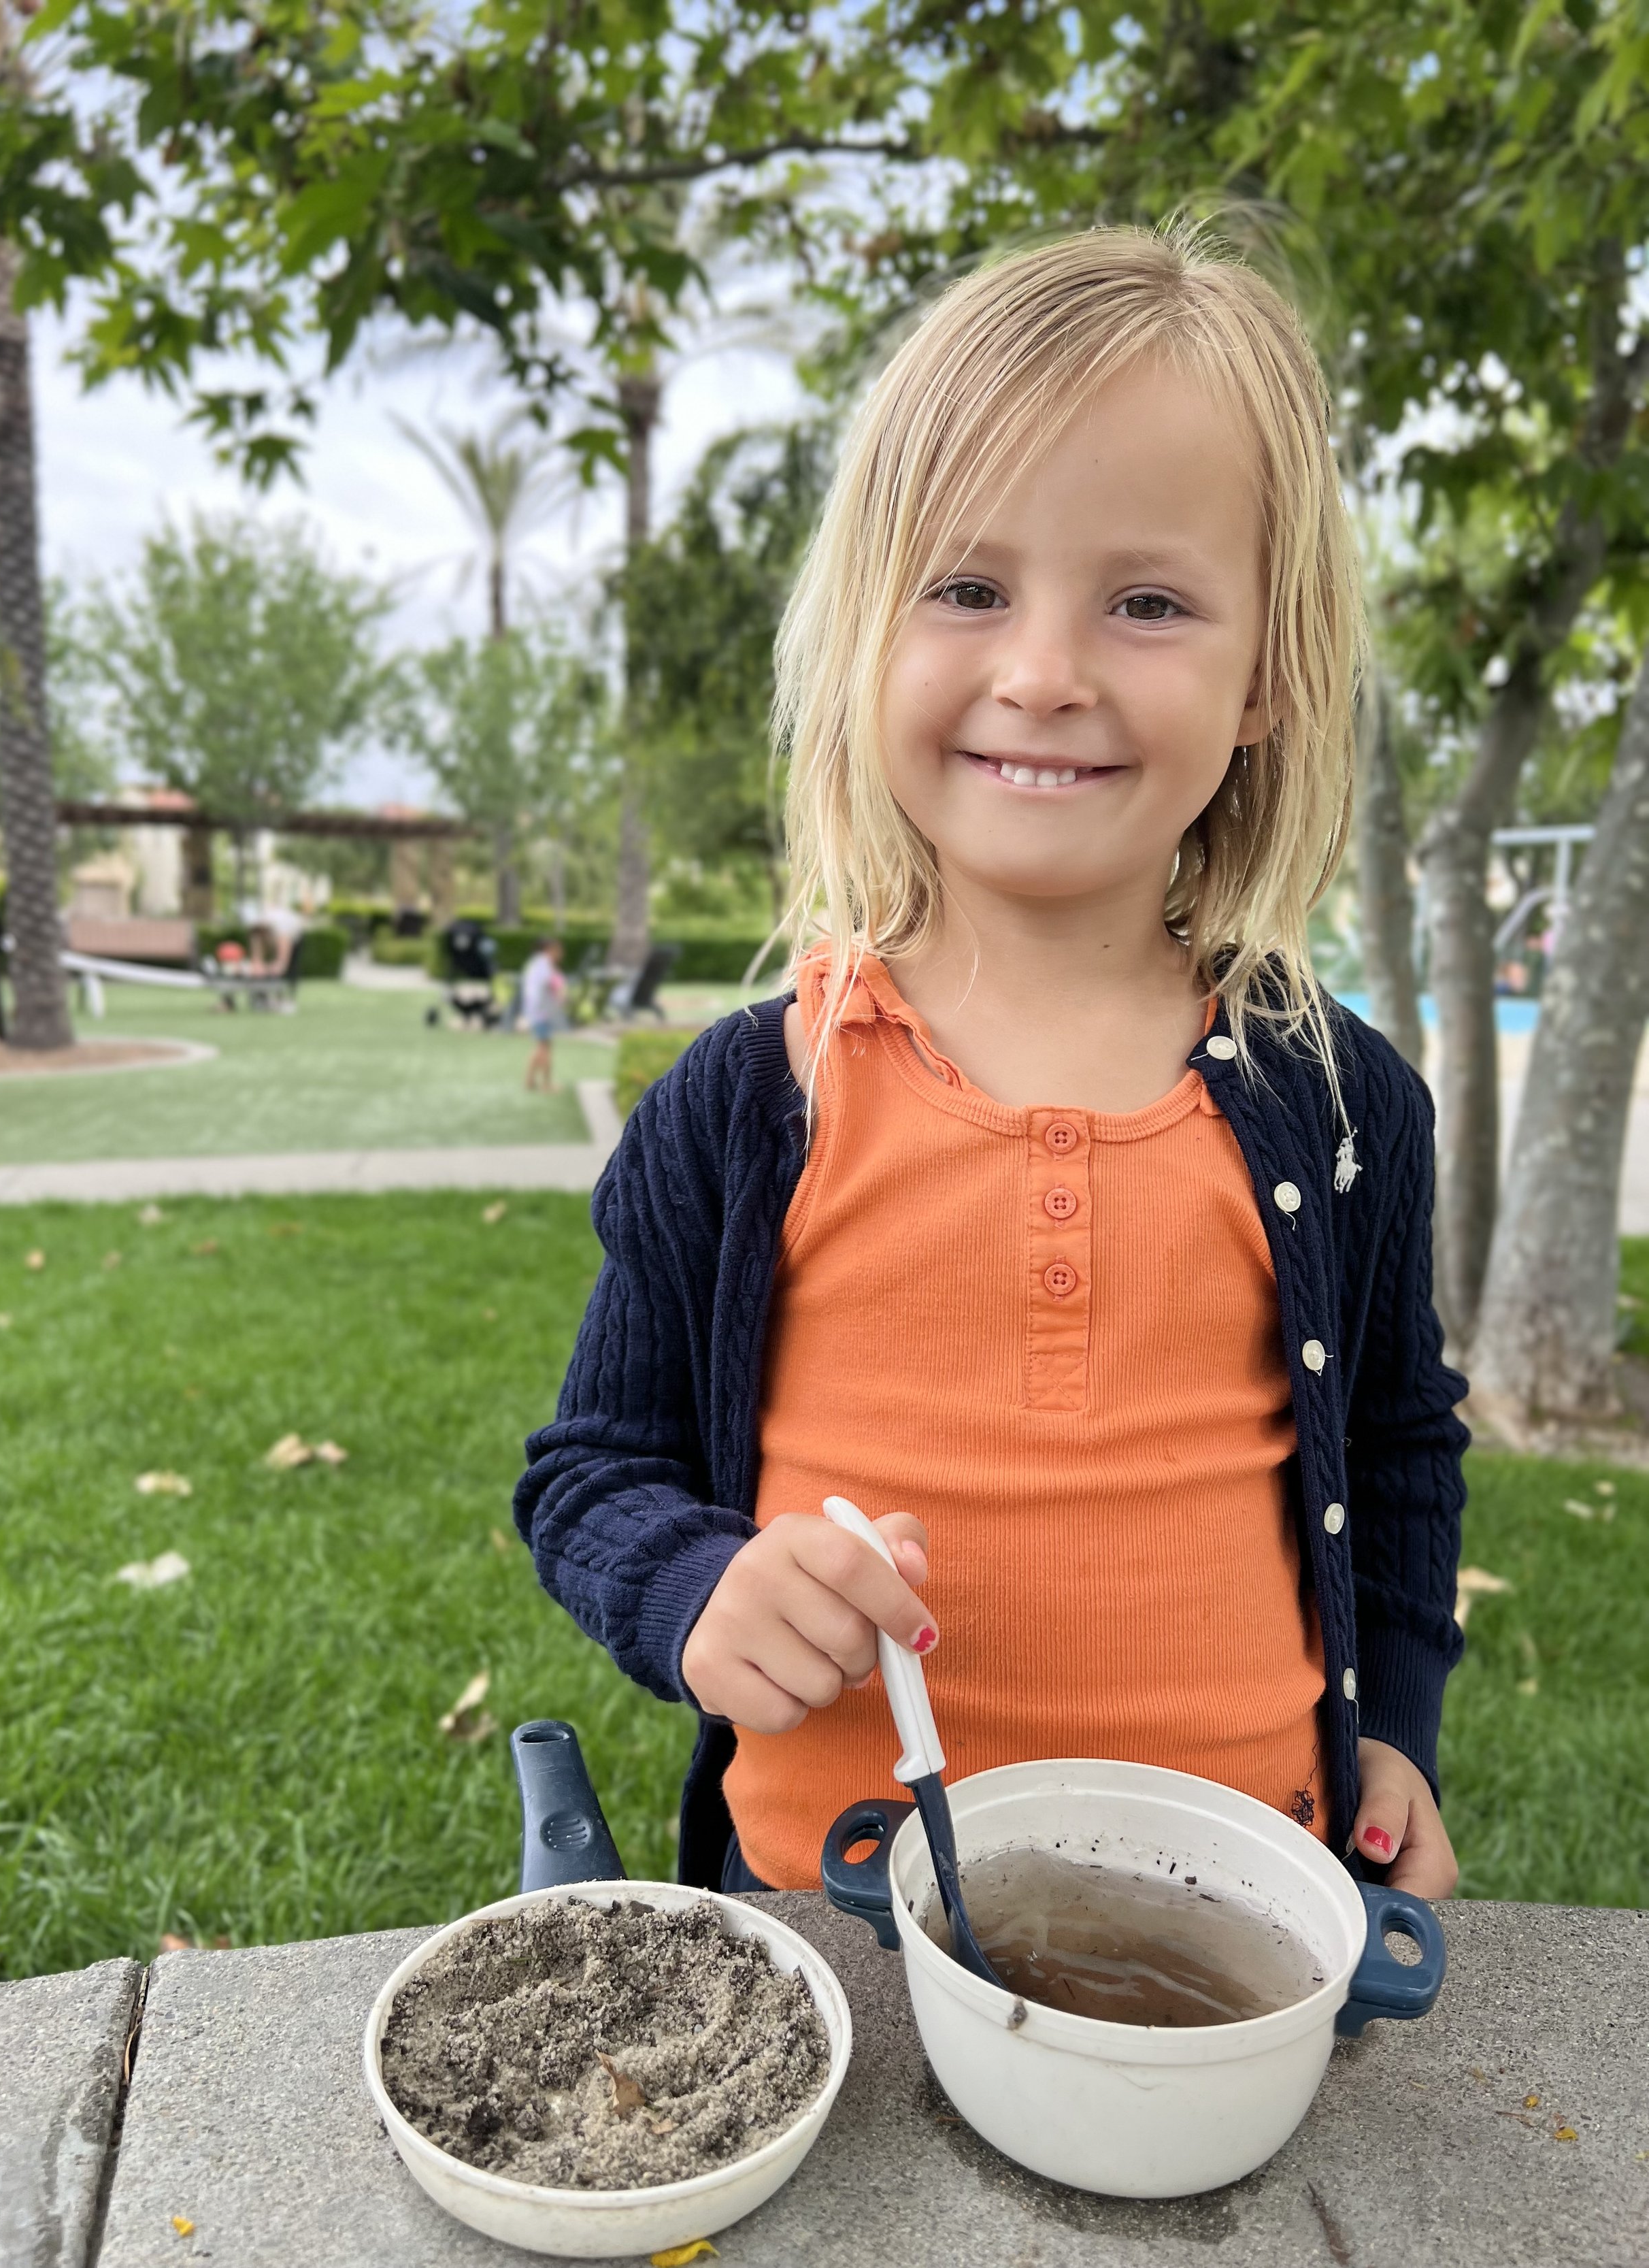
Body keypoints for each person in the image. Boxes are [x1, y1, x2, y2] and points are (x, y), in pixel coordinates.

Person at [516, 228, 1467, 1904]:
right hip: (829, 1933)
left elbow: (1394, 1446)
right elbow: (590, 1469)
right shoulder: (753, 1102)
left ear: (1266, 678)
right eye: (967, 588)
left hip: (1238, 1924)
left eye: (1150, 601)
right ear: (869, 636)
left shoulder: (1339, 1105)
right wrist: (690, 1590)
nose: (1044, 672)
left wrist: (1390, 1723)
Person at [520, 938, 567, 1090]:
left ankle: (530, 1080)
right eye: (559, 950)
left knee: (541, 1046)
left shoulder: (538, 964)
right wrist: (560, 994)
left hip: (538, 1012)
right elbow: (552, 985)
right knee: (544, 1047)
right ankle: (546, 1084)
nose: (561, 954)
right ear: (550, 950)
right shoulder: (544, 966)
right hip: (541, 1013)